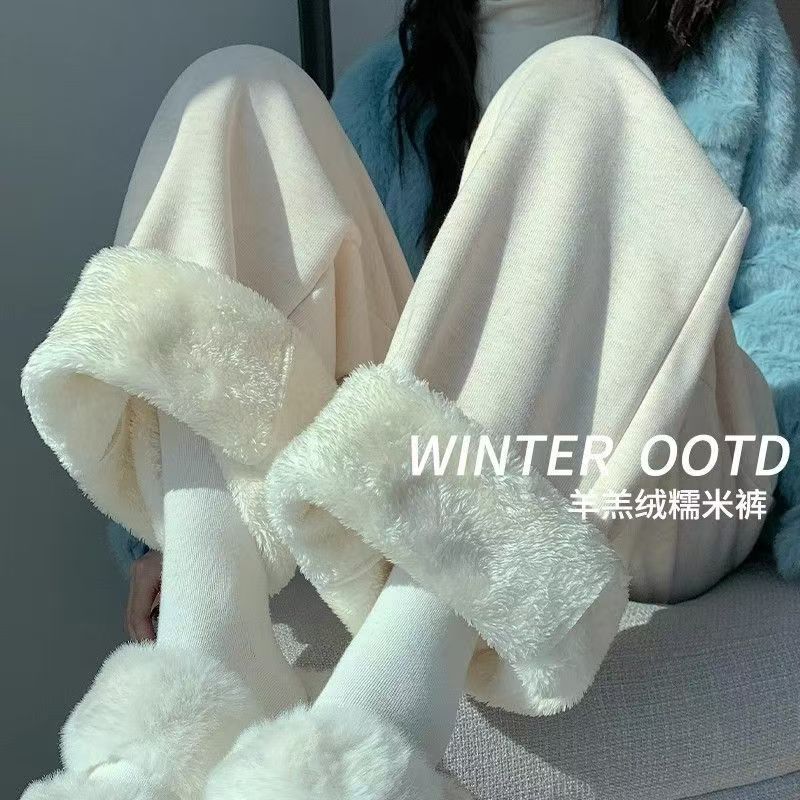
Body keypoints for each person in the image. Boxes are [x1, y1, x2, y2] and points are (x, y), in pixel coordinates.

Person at [20, 0, 800, 797]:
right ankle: (203, 679)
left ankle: (378, 733)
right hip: (431, 454)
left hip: (664, 460)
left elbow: (788, 288)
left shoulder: (731, 39)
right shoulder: (388, 84)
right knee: (234, 92)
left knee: (585, 86)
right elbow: (316, 319)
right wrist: (160, 535)